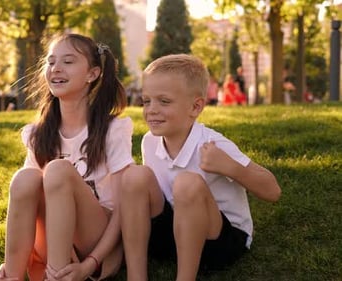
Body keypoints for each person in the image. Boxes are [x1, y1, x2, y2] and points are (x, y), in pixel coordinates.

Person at [119, 54, 281, 281]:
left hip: (220, 242)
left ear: (195, 107)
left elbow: (273, 191)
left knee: (187, 182)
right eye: (147, 101)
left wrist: (230, 167)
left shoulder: (212, 145)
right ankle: (136, 277)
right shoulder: (149, 141)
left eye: (164, 101)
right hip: (177, 231)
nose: (151, 110)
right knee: (134, 175)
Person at [0, 33, 133, 281]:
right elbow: (28, 201)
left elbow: (124, 208)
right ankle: (12, 276)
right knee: (25, 178)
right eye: (50, 62)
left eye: (68, 62)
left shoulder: (113, 130)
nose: (56, 68)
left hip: (96, 242)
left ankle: (58, 276)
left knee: (58, 170)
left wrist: (90, 264)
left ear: (92, 74)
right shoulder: (38, 134)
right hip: (53, 236)